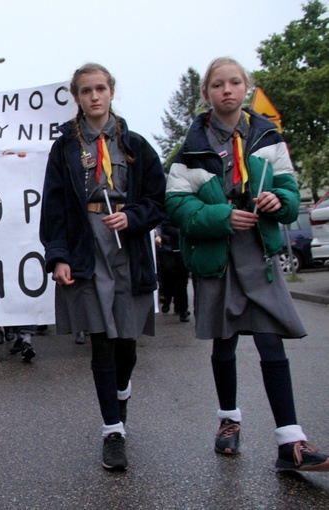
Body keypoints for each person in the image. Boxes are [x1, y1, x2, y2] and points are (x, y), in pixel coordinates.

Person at [166, 56, 329, 472]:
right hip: (217, 256)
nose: (227, 90)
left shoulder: (268, 137)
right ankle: (228, 421)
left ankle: (289, 442)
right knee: (225, 342)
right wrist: (222, 217)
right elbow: (178, 207)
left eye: (235, 82)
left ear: (246, 89)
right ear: (206, 94)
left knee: (270, 339)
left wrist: (280, 201)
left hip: (259, 251)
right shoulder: (190, 148)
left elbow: (290, 192)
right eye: (218, 84)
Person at [39, 63, 165, 471]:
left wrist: (134, 217)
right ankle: (113, 430)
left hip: (126, 246)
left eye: (100, 89)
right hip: (86, 248)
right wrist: (57, 256)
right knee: (101, 340)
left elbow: (157, 201)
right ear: (76, 97)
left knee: (126, 343)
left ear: (112, 92)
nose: (94, 97)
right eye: (86, 91)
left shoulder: (137, 145)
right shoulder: (64, 149)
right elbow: (54, 205)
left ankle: (121, 390)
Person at [155, 218, 190, 322]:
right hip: (168, 249)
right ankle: (168, 299)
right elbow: (161, 225)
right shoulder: (166, 211)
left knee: (182, 282)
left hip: (180, 249)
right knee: (168, 276)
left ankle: (182, 309)